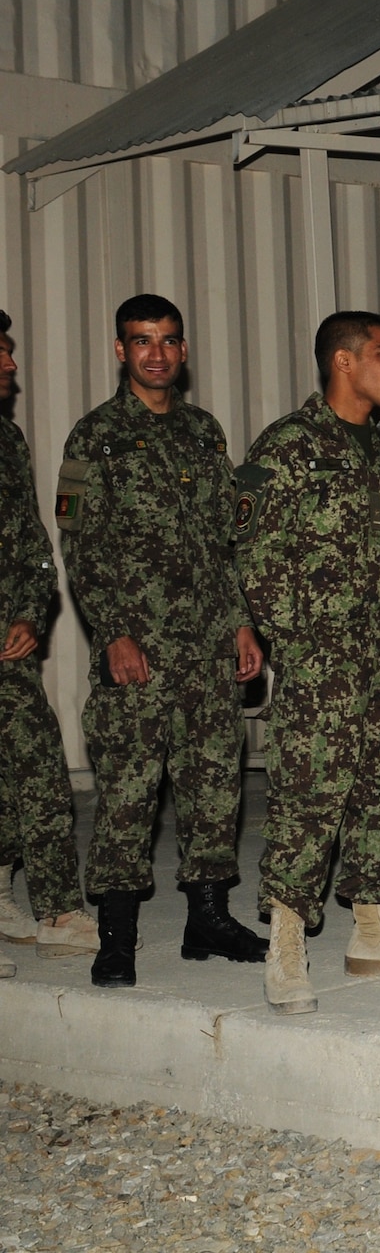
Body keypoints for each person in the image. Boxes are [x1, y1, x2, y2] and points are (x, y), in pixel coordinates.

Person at [236, 312, 380, 1015]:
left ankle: (373, 928)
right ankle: (287, 943)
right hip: (324, 663)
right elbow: (254, 556)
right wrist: (298, 644)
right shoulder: (290, 446)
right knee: (308, 799)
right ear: (344, 362)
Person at [54, 294, 267, 988]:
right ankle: (116, 936)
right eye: (142, 341)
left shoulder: (206, 433)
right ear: (121, 351)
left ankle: (207, 919)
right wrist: (112, 631)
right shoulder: (93, 438)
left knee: (214, 784)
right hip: (138, 648)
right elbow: (80, 544)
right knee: (128, 791)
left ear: (183, 349)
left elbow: (225, 542)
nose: (157, 353)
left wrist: (240, 621)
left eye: (169, 340)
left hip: (206, 646)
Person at [0, 310, 94, 967]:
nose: (10, 367)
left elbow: (33, 545)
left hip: (6, 647)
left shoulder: (7, 442)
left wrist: (32, 612)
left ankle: (58, 905)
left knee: (35, 767)